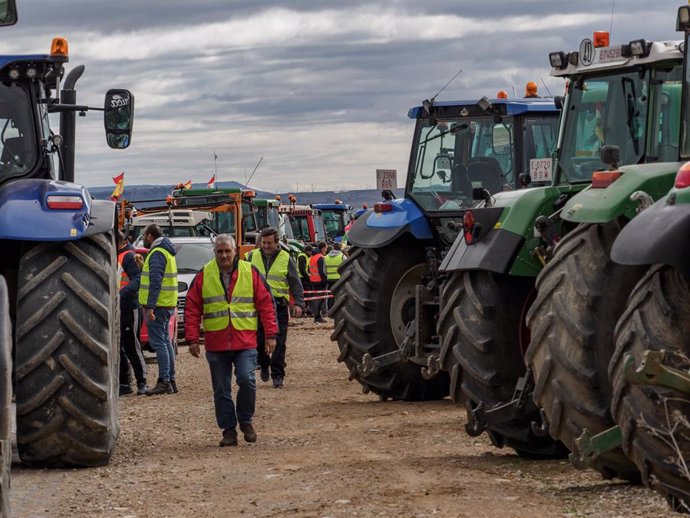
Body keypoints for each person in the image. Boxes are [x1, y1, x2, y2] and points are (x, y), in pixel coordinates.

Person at [184, 234, 278, 447]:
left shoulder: (249, 272)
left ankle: (245, 421)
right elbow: (192, 308)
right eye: (220, 251)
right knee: (221, 389)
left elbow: (266, 303)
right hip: (216, 343)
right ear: (215, 252)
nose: (224, 255)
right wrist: (192, 339)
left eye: (228, 251)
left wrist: (271, 335)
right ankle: (228, 430)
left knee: (247, 379)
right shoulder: (204, 274)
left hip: (244, 341)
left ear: (236, 251)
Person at [246, 227, 305, 388]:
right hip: (256, 307)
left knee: (279, 342)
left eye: (269, 243)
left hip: (278, 306)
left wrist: (299, 303)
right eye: (263, 243)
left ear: (277, 242)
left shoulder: (286, 258)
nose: (266, 246)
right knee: (258, 341)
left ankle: (277, 375)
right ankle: (264, 363)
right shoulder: (250, 257)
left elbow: (295, 283)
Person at [139, 223, 179, 396]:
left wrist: (150, 307)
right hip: (167, 304)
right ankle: (170, 380)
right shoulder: (166, 252)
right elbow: (156, 277)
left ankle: (164, 381)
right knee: (166, 341)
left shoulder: (157, 253)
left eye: (144, 236)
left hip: (159, 305)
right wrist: (143, 267)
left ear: (149, 236)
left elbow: (155, 282)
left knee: (159, 343)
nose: (143, 239)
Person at [117, 230, 148, 396]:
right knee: (119, 346)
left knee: (132, 345)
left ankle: (142, 382)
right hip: (118, 308)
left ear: (119, 242)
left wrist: (121, 294)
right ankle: (124, 383)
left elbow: (138, 279)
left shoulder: (129, 256)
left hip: (130, 307)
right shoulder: (116, 255)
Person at [309, 242, 328, 324]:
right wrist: (325, 281)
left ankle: (316, 316)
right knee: (320, 300)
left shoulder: (312, 257)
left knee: (315, 299)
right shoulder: (320, 258)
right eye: (326, 248)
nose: (326, 250)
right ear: (322, 248)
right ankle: (318, 317)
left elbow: (309, 270)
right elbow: (322, 271)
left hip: (313, 280)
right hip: (320, 281)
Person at [324, 242, 345, 310]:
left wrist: (328, 276)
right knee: (340, 295)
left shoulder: (326, 257)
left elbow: (324, 270)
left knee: (331, 295)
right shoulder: (342, 256)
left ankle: (330, 309)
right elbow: (346, 267)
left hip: (330, 279)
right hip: (339, 279)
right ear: (340, 248)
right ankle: (339, 309)